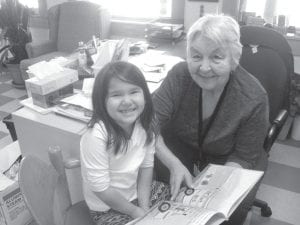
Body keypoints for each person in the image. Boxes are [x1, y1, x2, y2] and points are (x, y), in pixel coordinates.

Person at [152, 14, 269, 224]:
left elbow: (243, 156)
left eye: (216, 57)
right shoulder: (180, 75)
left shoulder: (253, 97)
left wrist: (213, 191)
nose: (204, 68)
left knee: (220, 215)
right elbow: (149, 123)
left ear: (233, 59)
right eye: (196, 56)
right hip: (180, 151)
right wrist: (173, 164)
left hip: (228, 159)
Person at [80, 61, 170, 225]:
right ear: (102, 101)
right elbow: (101, 190)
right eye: (116, 95)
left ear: (144, 95)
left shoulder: (146, 125)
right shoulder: (96, 135)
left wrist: (145, 207)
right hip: (106, 207)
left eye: (134, 91)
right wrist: (136, 212)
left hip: (135, 194)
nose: (127, 101)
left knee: (175, 198)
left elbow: (146, 168)